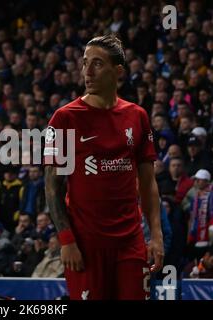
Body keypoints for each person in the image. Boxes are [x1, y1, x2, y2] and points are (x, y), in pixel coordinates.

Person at [44, 35, 164, 300]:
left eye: (97, 63)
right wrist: (66, 240)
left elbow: (148, 182)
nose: (87, 71)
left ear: (117, 70)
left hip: (130, 242)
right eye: (85, 62)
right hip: (86, 245)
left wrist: (155, 235)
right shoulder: (64, 118)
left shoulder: (137, 116)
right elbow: (52, 186)